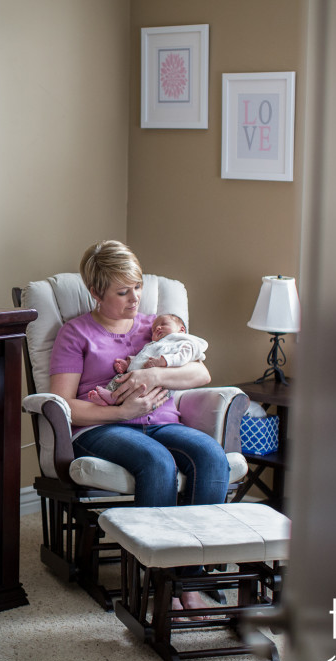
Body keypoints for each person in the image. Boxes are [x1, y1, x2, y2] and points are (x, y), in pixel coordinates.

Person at [48, 239, 229, 615]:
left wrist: (153, 372)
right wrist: (120, 412)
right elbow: (62, 404)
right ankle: (153, 579)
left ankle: (186, 580)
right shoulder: (75, 334)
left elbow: (201, 371)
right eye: (123, 291)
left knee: (212, 456)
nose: (135, 299)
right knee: (157, 462)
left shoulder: (158, 329)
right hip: (102, 429)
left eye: (139, 286)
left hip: (161, 423)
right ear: (96, 292)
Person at [87, 313, 208, 406]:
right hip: (140, 377)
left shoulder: (183, 342)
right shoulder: (155, 345)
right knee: (120, 380)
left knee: (135, 388)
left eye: (164, 324)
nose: (158, 328)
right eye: (154, 329)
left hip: (162, 385)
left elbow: (183, 357)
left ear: (181, 329)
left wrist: (165, 361)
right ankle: (109, 399)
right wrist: (128, 363)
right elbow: (143, 358)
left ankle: (113, 398)